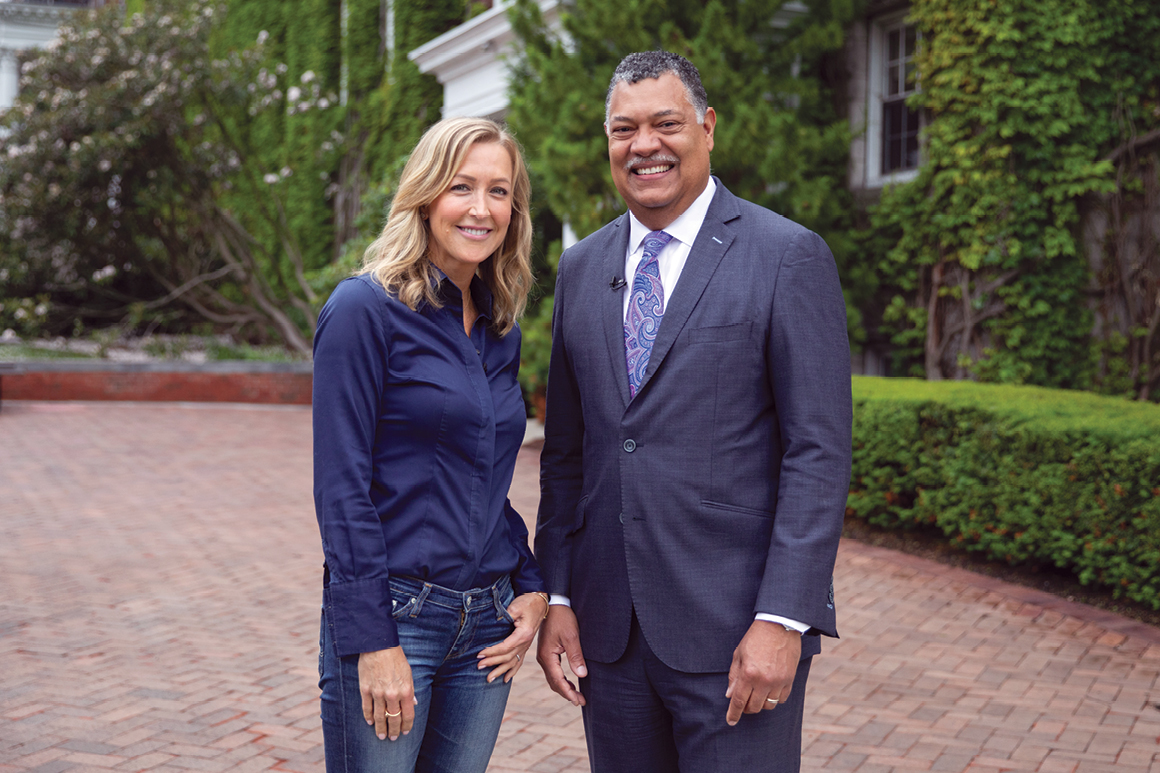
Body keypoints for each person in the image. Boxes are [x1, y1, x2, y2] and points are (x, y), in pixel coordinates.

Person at [534, 51, 853, 771]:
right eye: (624, 129)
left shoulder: (787, 256)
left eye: (665, 124)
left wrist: (784, 617)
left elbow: (818, 452)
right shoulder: (581, 268)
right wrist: (559, 594)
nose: (643, 145)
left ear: (707, 128)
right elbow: (567, 454)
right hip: (609, 640)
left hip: (737, 633)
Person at [312, 116, 549, 773]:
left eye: (499, 191)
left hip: (487, 627)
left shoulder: (500, 328)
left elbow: (484, 479)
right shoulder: (363, 310)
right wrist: (372, 639)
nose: (481, 208)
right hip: (397, 617)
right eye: (461, 187)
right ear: (424, 196)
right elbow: (341, 489)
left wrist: (532, 585)